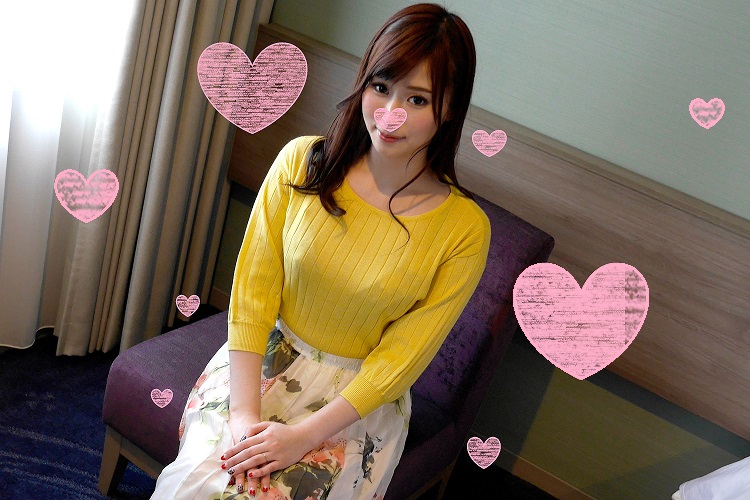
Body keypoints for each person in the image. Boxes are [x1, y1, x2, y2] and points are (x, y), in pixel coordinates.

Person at [152, 3, 490, 498]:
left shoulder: (463, 229)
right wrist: (244, 415)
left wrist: (301, 439)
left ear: (450, 109)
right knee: (196, 486)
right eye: (381, 87)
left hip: (354, 404)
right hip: (259, 366)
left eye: (417, 99)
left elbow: (401, 360)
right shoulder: (301, 162)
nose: (390, 114)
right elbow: (252, 293)